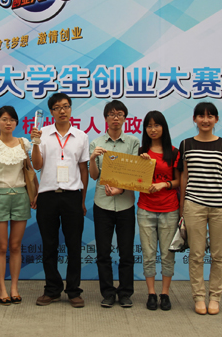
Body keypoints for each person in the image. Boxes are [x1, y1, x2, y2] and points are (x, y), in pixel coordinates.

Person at [30, 92, 89, 308]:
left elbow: (83, 169)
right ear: (51, 112)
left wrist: (82, 199)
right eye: (57, 108)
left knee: (74, 245)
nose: (62, 111)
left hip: (72, 196)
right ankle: (52, 290)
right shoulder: (42, 133)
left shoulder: (81, 136)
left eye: (66, 106)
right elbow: (37, 165)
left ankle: (73, 291)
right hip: (47, 196)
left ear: (71, 109)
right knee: (49, 245)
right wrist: (35, 143)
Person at [178, 102, 222, 315]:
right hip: (194, 205)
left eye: (210, 116)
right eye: (201, 116)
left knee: (219, 255)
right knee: (196, 254)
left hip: (221, 207)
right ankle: (199, 297)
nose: (205, 120)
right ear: (194, 119)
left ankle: (215, 297)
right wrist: (182, 206)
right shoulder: (186, 144)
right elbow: (184, 176)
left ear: (216, 119)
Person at [0, 106, 38, 305]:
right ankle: (1, 289)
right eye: (4, 119)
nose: (8, 123)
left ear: (16, 123)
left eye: (12, 120)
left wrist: (35, 193)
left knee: (15, 246)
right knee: (1, 246)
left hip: (21, 196)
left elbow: (29, 169)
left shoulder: (23, 143)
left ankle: (14, 288)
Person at [88, 100, 139, 308]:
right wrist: (92, 158)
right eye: (111, 114)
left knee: (126, 252)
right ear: (106, 118)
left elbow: (135, 174)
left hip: (126, 204)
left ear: (125, 117)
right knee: (103, 253)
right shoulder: (97, 143)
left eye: (119, 114)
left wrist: (121, 189)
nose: (115, 117)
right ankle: (108, 293)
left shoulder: (133, 142)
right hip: (102, 204)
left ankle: (125, 293)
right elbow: (94, 176)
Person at [136, 111, 180, 311]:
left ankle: (165, 293)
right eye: (149, 125)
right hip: (145, 209)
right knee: (148, 254)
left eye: (156, 125)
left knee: (167, 254)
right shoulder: (141, 152)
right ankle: (151, 293)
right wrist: (141, 164)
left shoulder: (174, 152)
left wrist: (164, 184)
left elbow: (180, 181)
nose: (153, 129)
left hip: (169, 209)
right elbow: (135, 180)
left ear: (164, 127)